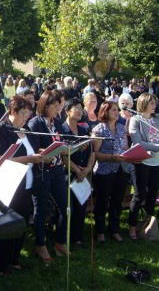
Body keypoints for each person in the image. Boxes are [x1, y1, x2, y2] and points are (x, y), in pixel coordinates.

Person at [0, 96, 44, 274]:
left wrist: (42, 153)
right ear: (12, 111)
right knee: (6, 226)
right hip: (9, 185)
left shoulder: (26, 129)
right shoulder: (0, 130)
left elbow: (33, 151)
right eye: (23, 113)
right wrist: (29, 159)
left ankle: (14, 259)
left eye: (29, 113)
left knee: (21, 224)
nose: (26, 117)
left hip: (27, 185)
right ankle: (1, 264)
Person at [28, 90, 69, 262]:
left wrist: (71, 148)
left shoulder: (57, 123)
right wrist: (45, 153)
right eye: (55, 105)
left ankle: (60, 242)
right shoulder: (35, 123)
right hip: (42, 172)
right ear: (45, 106)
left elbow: (63, 142)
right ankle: (41, 245)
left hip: (58, 170)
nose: (58, 108)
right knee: (41, 209)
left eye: (60, 105)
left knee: (64, 208)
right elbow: (33, 148)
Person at [128, 93, 159, 240]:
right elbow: (138, 142)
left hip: (158, 162)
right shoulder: (135, 120)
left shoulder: (158, 118)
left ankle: (149, 225)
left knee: (153, 195)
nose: (154, 105)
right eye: (152, 103)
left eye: (155, 102)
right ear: (144, 104)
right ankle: (132, 227)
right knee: (139, 195)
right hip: (142, 162)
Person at [92, 101, 132, 244]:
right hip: (104, 171)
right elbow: (95, 154)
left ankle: (114, 230)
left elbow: (126, 147)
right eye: (114, 110)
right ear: (105, 112)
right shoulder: (98, 130)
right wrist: (111, 157)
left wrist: (132, 156)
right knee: (102, 202)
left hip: (122, 169)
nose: (117, 112)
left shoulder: (122, 128)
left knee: (117, 201)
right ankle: (100, 231)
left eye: (117, 110)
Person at [62, 98, 95, 249]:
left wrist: (88, 169)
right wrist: (77, 170)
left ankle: (78, 238)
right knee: (69, 208)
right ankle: (65, 237)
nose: (80, 111)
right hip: (68, 173)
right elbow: (63, 155)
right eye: (76, 108)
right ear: (67, 111)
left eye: (81, 108)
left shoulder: (83, 130)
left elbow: (92, 152)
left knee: (81, 206)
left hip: (83, 174)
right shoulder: (62, 130)